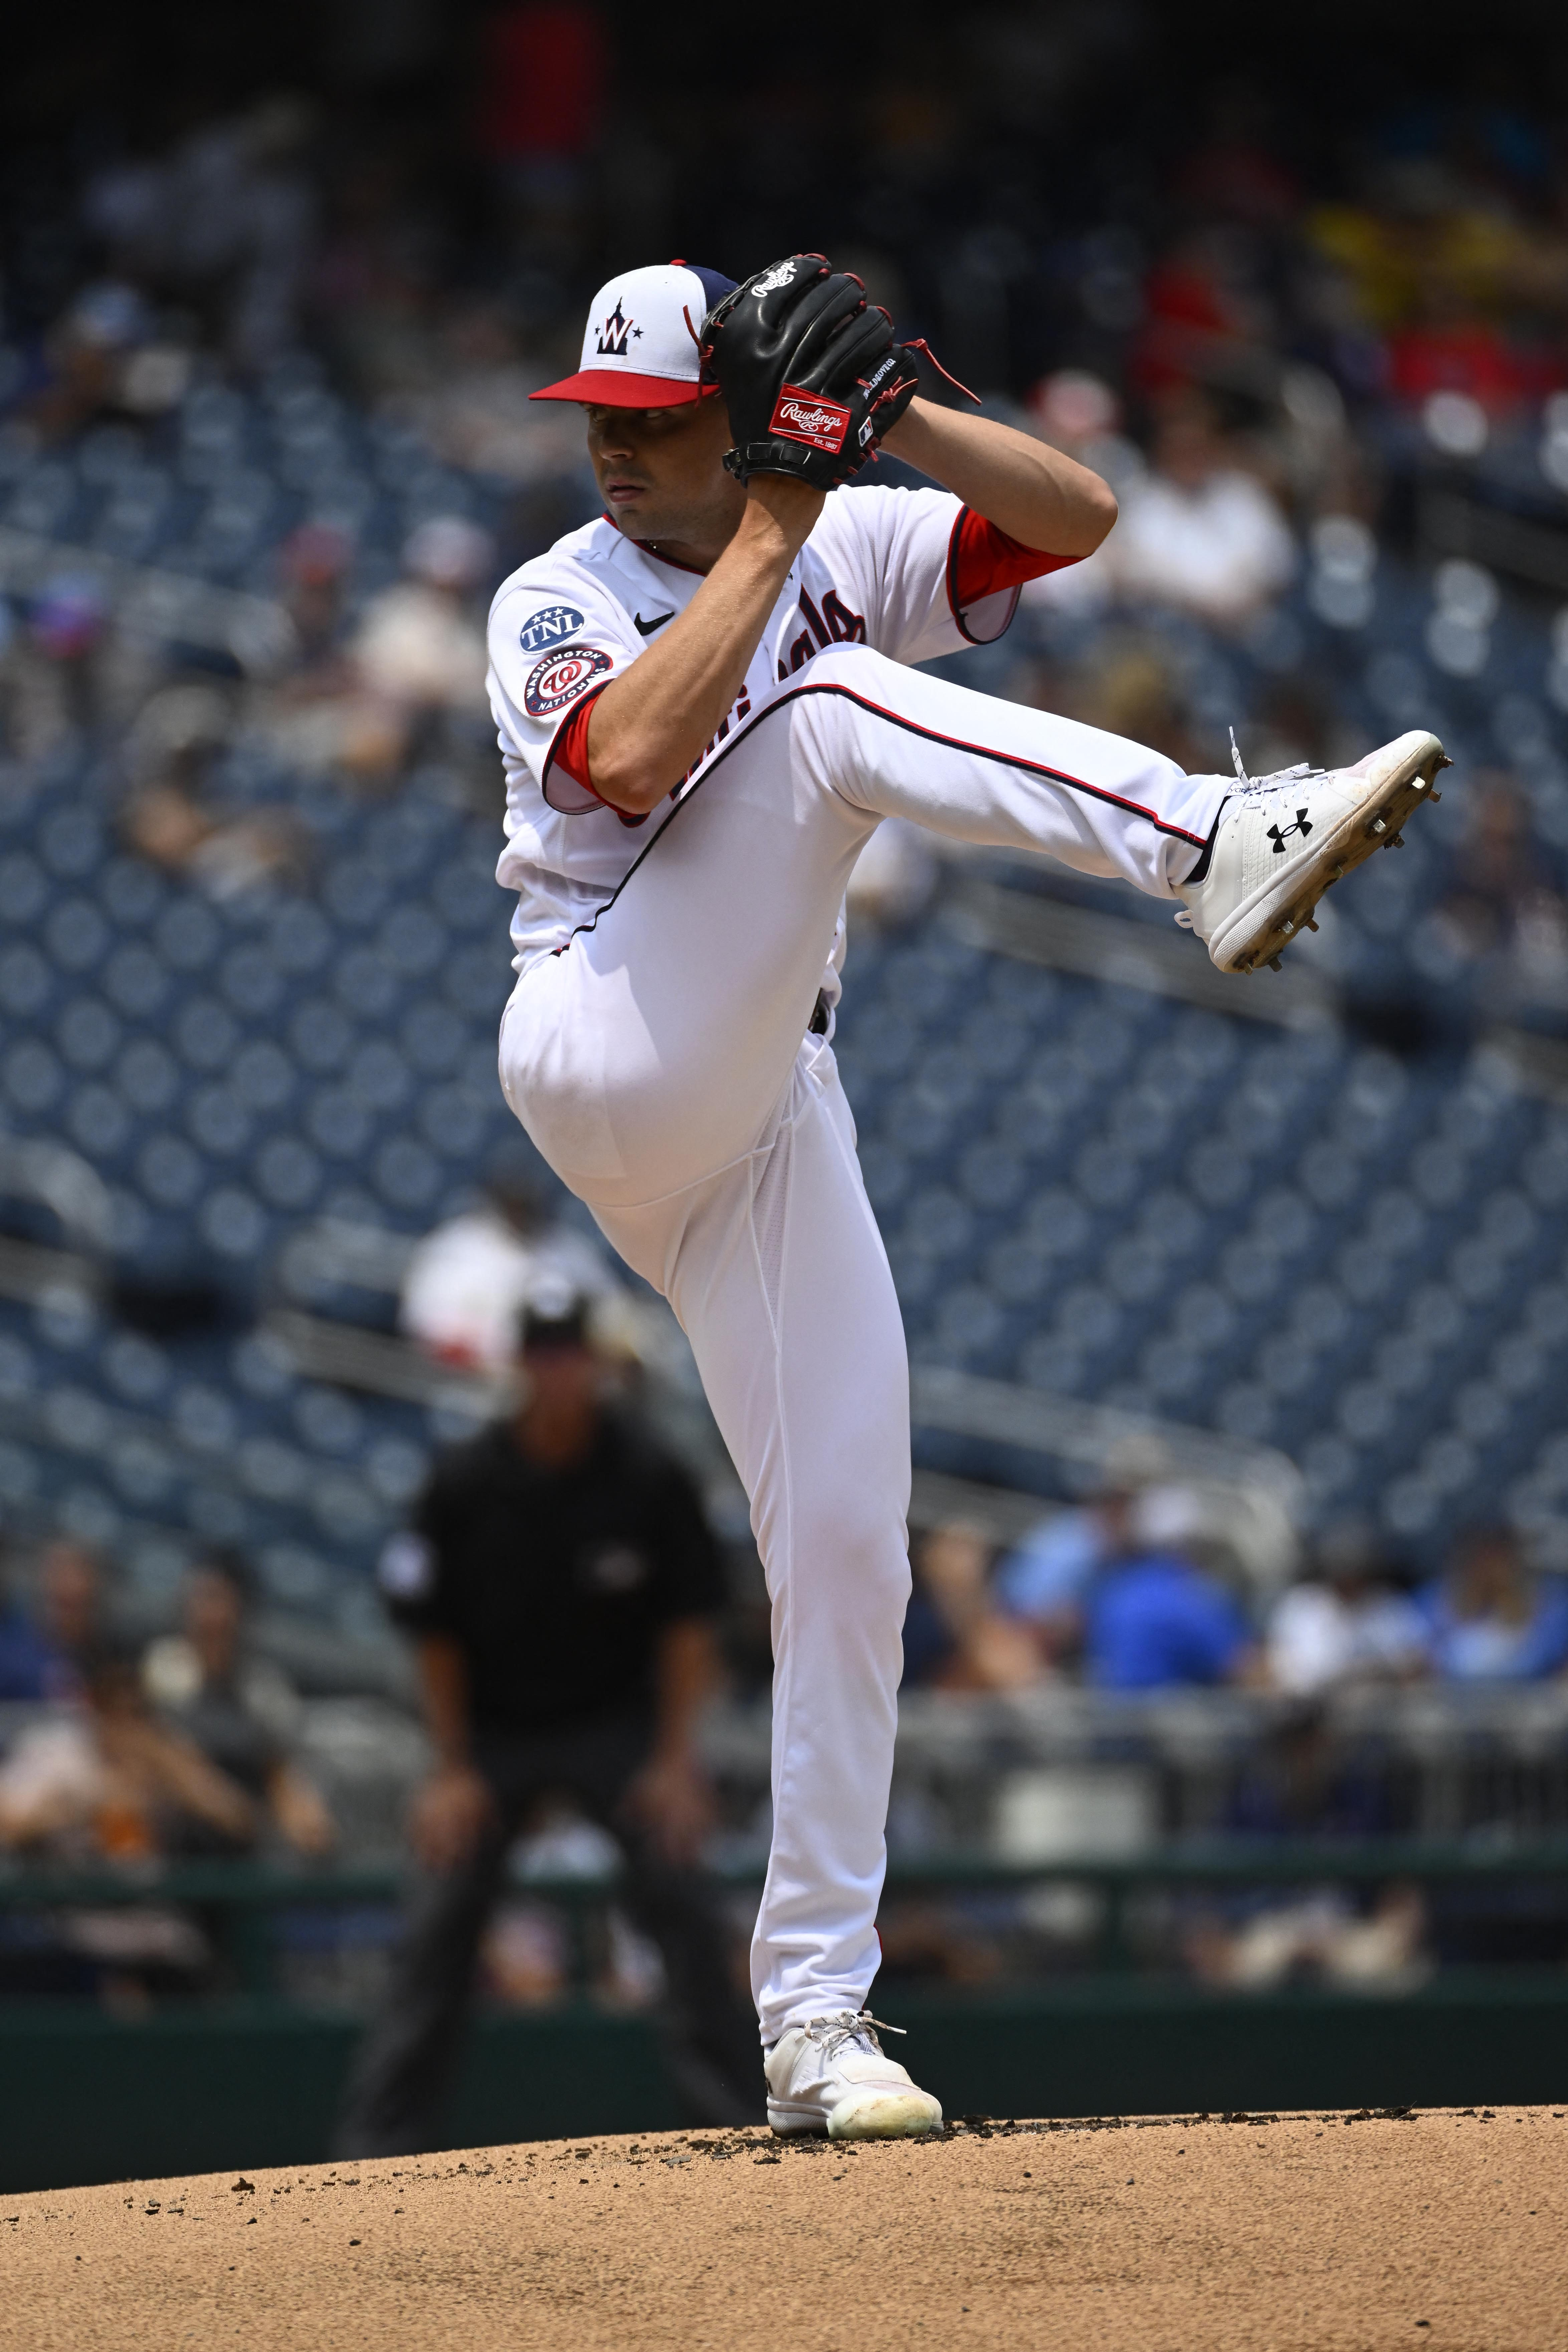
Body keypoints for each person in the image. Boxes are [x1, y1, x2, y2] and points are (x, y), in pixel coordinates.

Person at [486, 254, 1447, 2137]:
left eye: (651, 419)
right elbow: (622, 751)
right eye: (598, 422)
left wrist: (897, 404)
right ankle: (1205, 837)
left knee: (849, 1540)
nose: (612, 453)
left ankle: (818, 2023)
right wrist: (779, 496)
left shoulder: (827, 520)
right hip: (611, 1026)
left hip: (769, 1098)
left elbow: (1070, 522)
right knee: (833, 704)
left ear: (740, 411)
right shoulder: (563, 590)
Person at [335, 1288, 757, 2157]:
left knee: (679, 1888)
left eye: (573, 1351)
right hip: (495, 1736)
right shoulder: (466, 1481)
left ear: (595, 1364)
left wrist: (677, 1760)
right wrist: (449, 1766)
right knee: (439, 1914)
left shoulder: (649, 1472)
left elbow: (691, 1624)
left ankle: (736, 2122)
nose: (560, 1369)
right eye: (545, 1351)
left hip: (620, 1727)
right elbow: (435, 1634)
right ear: (521, 1364)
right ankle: (375, 2151)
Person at [142, 1551, 335, 1856]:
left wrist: (306, 1823)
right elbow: (154, 1755)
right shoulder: (160, 1671)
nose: (213, 1616)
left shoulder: (263, 1688)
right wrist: (224, 1805)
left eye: (223, 1602)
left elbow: (280, 1774)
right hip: (169, 1848)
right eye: (204, 1600)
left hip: (241, 1851)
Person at [1266, 1521, 1428, 1695]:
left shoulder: (1391, 1608)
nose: (1350, 1579)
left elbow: (1418, 1667)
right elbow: (1277, 1675)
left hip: (1382, 1708)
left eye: (1358, 1570)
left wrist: (1376, 1673)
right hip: (1314, 1709)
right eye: (1342, 1569)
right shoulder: (1302, 1606)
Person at [1418, 1527, 1568, 1682]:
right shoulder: (1433, 1602)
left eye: (1498, 1560)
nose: (1489, 1570)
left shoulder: (1552, 1606)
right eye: (1481, 1560)